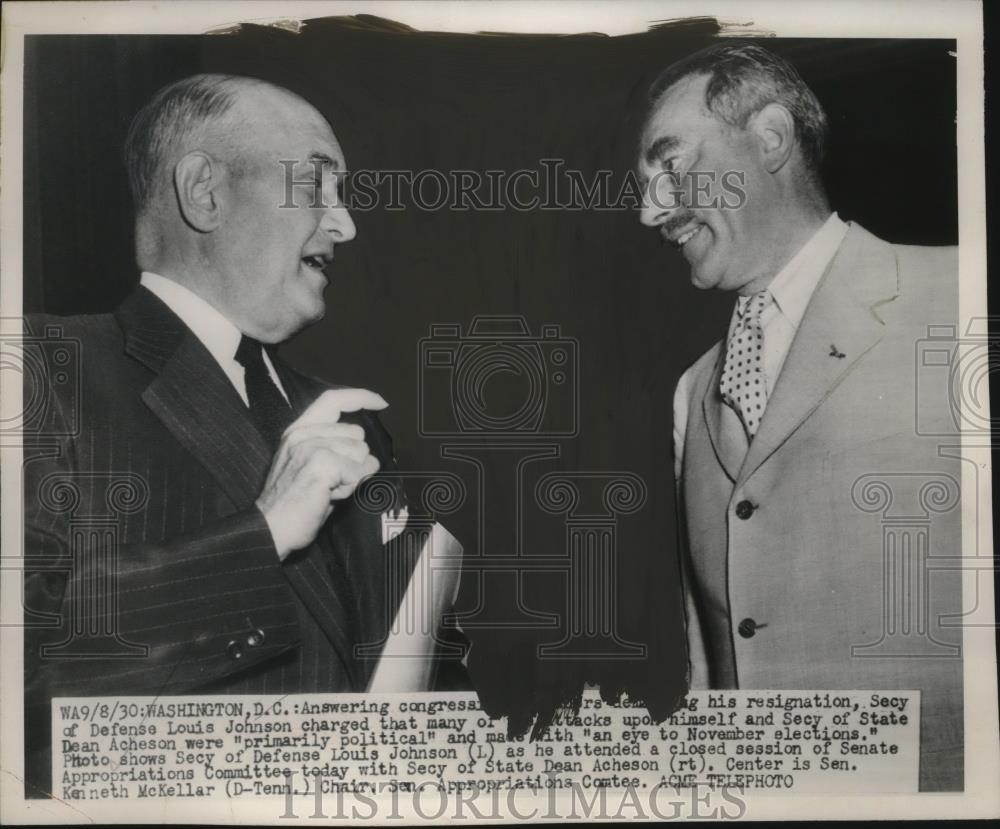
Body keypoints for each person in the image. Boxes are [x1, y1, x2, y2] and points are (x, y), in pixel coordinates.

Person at [21, 74, 434, 794]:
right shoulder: (41, 369)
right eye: (316, 187)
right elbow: (25, 678)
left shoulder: (353, 421)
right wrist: (265, 531)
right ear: (204, 192)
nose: (346, 225)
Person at [637, 43, 962, 791]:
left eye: (669, 162)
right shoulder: (692, 391)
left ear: (772, 137)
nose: (649, 208)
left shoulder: (961, 296)